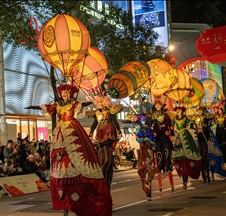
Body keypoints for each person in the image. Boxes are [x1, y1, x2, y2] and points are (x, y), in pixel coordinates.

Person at [26, 84, 112, 216]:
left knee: (79, 155)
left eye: (67, 93)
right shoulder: (58, 105)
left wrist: (94, 100)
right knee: (59, 159)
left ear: (71, 94)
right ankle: (65, 197)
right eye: (63, 93)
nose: (64, 95)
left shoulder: (75, 104)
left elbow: (84, 104)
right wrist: (33, 107)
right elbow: (46, 107)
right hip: (60, 132)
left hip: (72, 129)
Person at [88, 95, 122, 188]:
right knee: (102, 149)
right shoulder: (97, 113)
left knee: (107, 149)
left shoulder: (110, 111)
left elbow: (114, 121)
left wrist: (118, 130)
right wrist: (91, 133)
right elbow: (95, 123)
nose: (101, 104)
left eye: (103, 102)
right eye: (99, 103)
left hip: (109, 132)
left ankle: (105, 167)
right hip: (100, 133)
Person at [127, 102, 156, 201]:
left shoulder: (151, 117)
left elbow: (155, 122)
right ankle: (147, 188)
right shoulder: (139, 118)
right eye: (142, 108)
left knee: (149, 168)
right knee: (143, 168)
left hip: (149, 142)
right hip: (142, 149)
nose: (144, 109)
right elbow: (134, 120)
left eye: (145, 108)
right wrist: (134, 118)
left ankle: (149, 189)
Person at [171, 107, 202, 189]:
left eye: (179, 111)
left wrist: (196, 123)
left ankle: (187, 176)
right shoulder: (174, 119)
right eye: (177, 111)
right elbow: (170, 125)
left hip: (185, 135)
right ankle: (183, 178)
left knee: (189, 153)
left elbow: (191, 123)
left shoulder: (185, 118)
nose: (178, 112)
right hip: (178, 137)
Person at [151, 97, 174, 192]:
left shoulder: (165, 115)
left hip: (165, 137)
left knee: (167, 156)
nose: (157, 107)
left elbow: (170, 124)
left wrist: (170, 133)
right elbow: (151, 125)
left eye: (158, 105)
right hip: (157, 140)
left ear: (161, 106)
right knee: (159, 159)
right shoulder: (153, 116)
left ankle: (171, 182)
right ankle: (160, 185)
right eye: (156, 106)